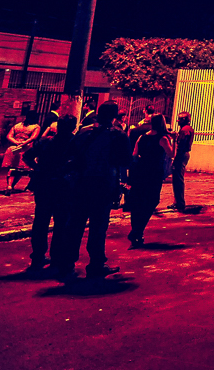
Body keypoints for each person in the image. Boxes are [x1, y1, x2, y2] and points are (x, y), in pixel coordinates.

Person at [54, 102, 130, 281]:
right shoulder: (117, 135)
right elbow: (125, 160)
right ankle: (96, 265)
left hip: (80, 184)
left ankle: (67, 264)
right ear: (114, 116)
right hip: (103, 185)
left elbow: (69, 154)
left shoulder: (83, 132)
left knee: (75, 225)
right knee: (98, 227)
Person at [24, 114, 76, 274]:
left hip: (44, 184)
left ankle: (38, 257)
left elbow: (27, 156)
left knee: (41, 222)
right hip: (64, 186)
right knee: (61, 223)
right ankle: (56, 257)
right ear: (73, 127)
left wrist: (38, 168)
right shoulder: (75, 143)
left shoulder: (46, 142)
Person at [127, 114, 174, 247]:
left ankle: (136, 232)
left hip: (140, 171)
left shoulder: (142, 137)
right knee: (152, 200)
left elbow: (134, 155)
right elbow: (171, 154)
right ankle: (137, 231)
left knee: (138, 201)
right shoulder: (163, 138)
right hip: (154, 172)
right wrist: (174, 141)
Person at [2, 109, 41, 194]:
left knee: (12, 168)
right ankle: (30, 187)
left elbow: (9, 136)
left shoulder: (18, 125)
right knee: (25, 169)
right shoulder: (35, 126)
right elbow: (33, 138)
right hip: (26, 149)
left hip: (14, 148)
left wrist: (16, 142)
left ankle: (9, 185)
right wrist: (23, 144)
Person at [171, 111, 194, 210]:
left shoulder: (184, 130)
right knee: (177, 179)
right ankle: (177, 201)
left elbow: (180, 146)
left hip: (181, 155)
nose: (178, 122)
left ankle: (179, 203)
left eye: (180, 120)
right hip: (184, 154)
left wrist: (175, 159)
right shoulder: (188, 129)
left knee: (177, 180)